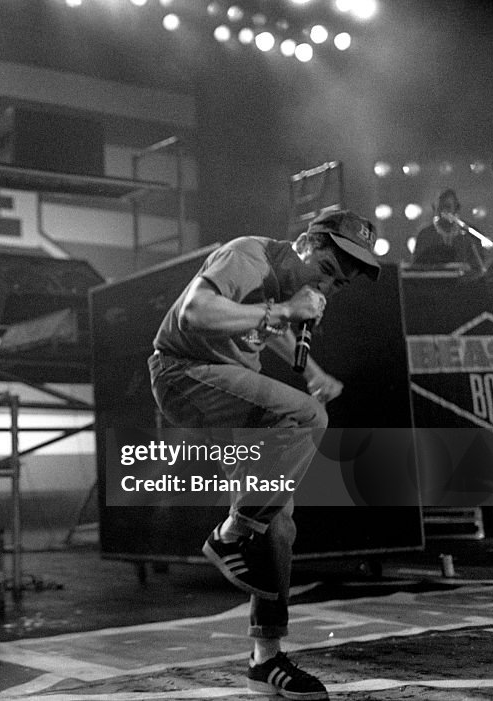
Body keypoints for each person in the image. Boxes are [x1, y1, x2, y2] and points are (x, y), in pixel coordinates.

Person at [149, 209, 380, 701]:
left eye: (338, 285)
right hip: (185, 374)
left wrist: (312, 371)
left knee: (276, 513)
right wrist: (282, 311)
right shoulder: (247, 255)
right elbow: (196, 312)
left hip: (230, 389)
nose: (329, 286)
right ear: (304, 243)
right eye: (326, 271)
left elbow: (267, 332)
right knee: (307, 419)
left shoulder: (282, 285)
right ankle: (231, 534)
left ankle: (266, 657)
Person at [412, 189, 486, 271]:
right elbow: (417, 266)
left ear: (456, 208)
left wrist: (468, 267)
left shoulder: (470, 234)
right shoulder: (425, 235)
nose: (444, 211)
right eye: (440, 207)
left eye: (448, 207)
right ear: (434, 209)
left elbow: (479, 266)